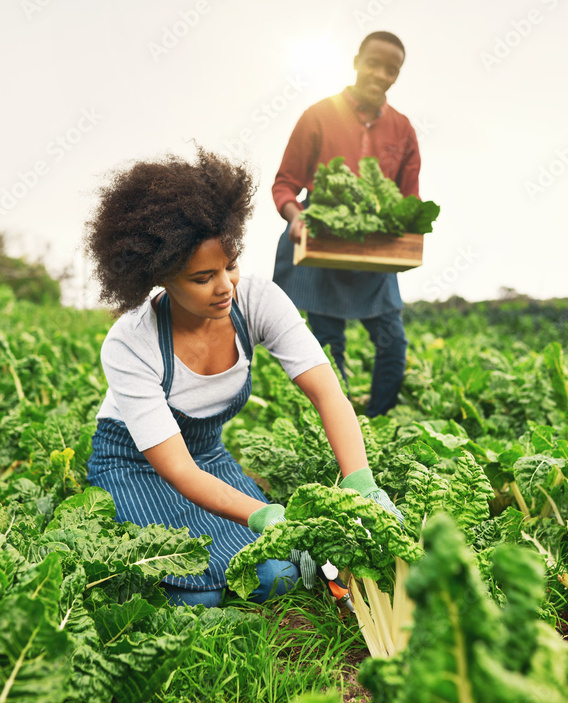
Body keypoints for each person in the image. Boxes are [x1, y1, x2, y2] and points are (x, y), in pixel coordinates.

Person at [84, 148, 401, 608]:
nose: (225, 287)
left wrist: (360, 481)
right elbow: (176, 469)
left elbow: (327, 393)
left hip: (207, 458)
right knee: (201, 595)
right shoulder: (130, 342)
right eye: (202, 277)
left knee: (277, 576)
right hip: (135, 464)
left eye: (230, 265)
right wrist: (264, 513)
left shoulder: (255, 301)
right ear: (162, 277)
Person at [272, 30, 420, 418]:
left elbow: (410, 198)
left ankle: (376, 422)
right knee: (328, 344)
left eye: (393, 70)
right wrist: (296, 215)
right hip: (325, 243)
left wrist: (408, 229)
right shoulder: (319, 115)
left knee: (393, 343)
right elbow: (285, 183)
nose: (381, 75)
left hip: (374, 250)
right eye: (374, 64)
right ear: (356, 61)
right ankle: (339, 423)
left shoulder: (403, 129)